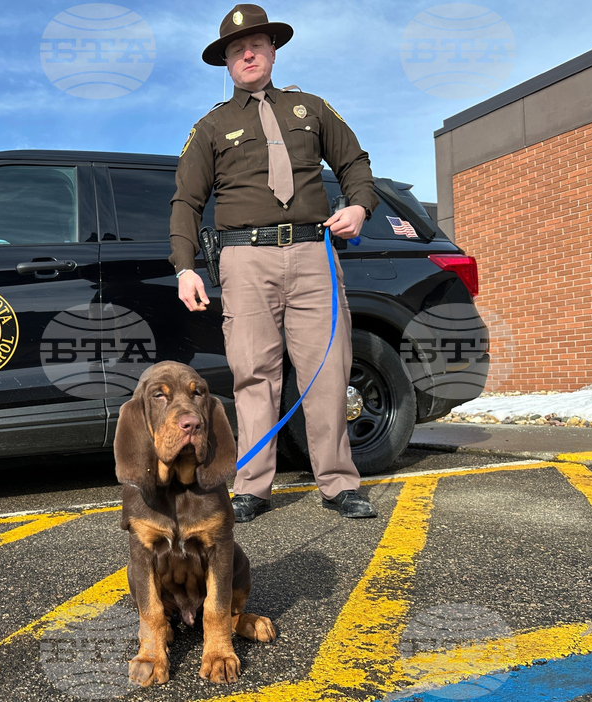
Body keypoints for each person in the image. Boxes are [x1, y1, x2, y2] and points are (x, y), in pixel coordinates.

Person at [170, 4, 378, 521]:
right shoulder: (211, 126)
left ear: (273, 51)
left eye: (256, 45)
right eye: (237, 50)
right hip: (245, 259)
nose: (247, 54)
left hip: (313, 252)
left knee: (328, 372)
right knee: (253, 374)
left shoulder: (312, 109)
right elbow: (186, 201)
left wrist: (359, 205)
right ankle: (253, 487)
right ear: (226, 62)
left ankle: (338, 482)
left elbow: (354, 162)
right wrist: (184, 267)